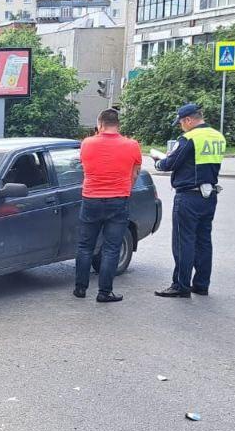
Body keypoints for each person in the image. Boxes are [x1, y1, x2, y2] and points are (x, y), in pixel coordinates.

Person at [153, 103, 225, 298]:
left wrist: (158, 161)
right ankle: (201, 284)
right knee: (204, 241)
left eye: (181, 123)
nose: (180, 127)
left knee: (183, 241)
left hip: (188, 197)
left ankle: (180, 285)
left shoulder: (189, 138)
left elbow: (170, 163)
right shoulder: (218, 136)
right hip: (209, 196)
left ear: (188, 120)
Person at [73, 108, 142, 303]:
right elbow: (135, 173)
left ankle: (80, 287)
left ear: (100, 124)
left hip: (91, 200)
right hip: (118, 199)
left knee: (85, 246)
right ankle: (104, 292)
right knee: (111, 248)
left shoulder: (87, 143)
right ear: (118, 124)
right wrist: (125, 189)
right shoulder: (132, 145)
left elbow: (84, 167)